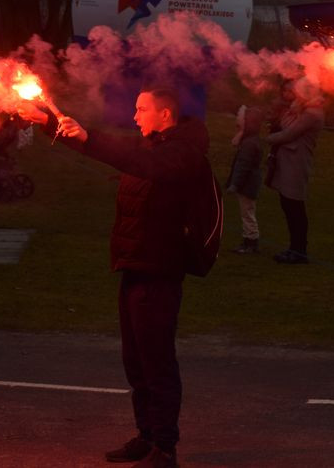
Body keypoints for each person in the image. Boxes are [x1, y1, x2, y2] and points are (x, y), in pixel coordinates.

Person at [18, 88, 207, 468]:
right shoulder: (153, 146)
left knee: (156, 363)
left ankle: (165, 449)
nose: (135, 116)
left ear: (166, 114)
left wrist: (90, 136)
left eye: (142, 109)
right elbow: (119, 151)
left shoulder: (181, 154)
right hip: (135, 266)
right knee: (135, 361)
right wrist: (51, 123)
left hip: (159, 272)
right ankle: (147, 436)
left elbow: (135, 159)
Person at [264, 79, 324, 264]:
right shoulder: (300, 110)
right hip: (288, 161)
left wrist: (265, 139)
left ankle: (299, 250)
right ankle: (294, 248)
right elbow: (283, 123)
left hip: (296, 163)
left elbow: (289, 133)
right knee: (288, 205)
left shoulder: (312, 114)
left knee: (295, 207)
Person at [226, 105, 264, 254]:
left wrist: (235, 184)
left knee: (247, 214)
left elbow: (243, 166)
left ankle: (251, 242)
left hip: (247, 186)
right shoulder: (250, 141)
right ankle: (248, 241)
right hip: (248, 184)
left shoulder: (249, 144)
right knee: (247, 213)